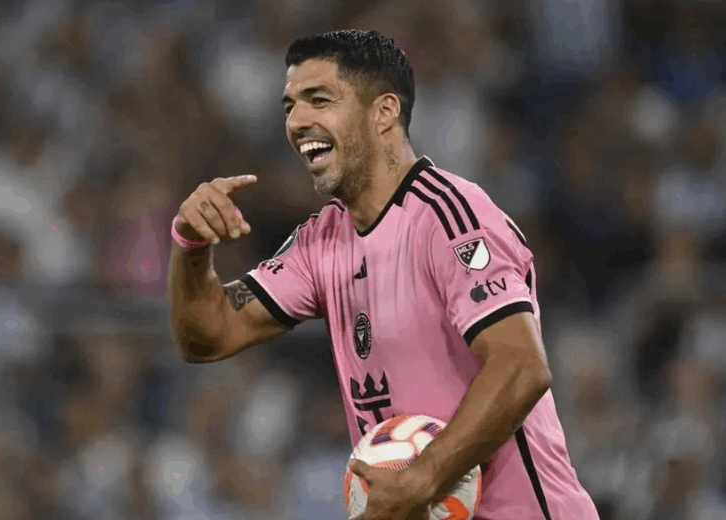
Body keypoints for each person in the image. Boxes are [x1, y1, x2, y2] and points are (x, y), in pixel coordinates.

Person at [167, 29, 599, 520]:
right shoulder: (320, 242)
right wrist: (191, 244)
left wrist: (420, 481)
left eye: (319, 100)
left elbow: (522, 366)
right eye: (290, 107)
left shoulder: (450, 217)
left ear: (384, 112)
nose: (297, 122)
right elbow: (207, 337)